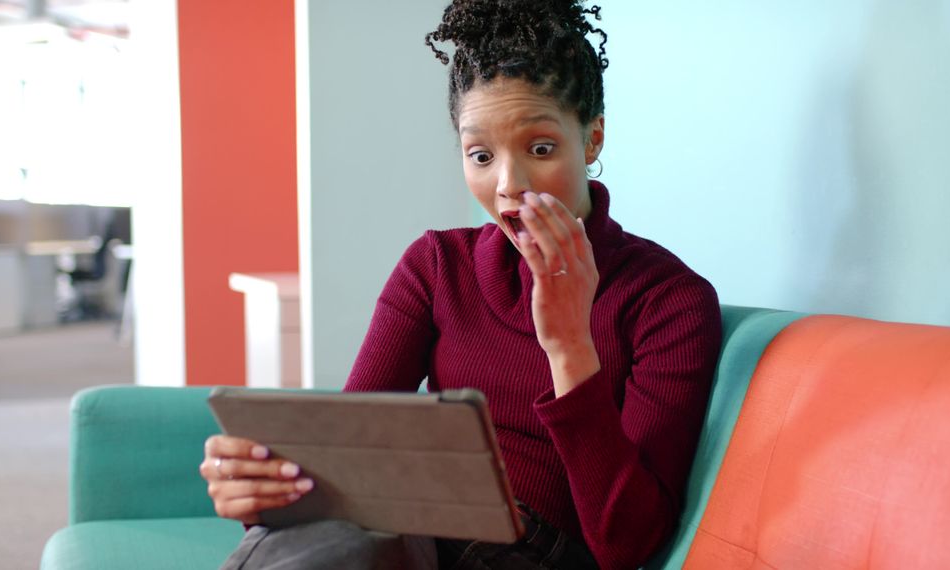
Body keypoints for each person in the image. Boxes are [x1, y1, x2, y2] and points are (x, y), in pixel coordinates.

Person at [201, 1, 723, 568]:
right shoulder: (436, 266)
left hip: (530, 548)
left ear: (592, 138)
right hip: (408, 525)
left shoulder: (670, 301)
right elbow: (352, 451)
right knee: (315, 546)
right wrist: (260, 487)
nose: (509, 185)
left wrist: (570, 345)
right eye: (480, 155)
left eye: (540, 149)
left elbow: (626, 543)